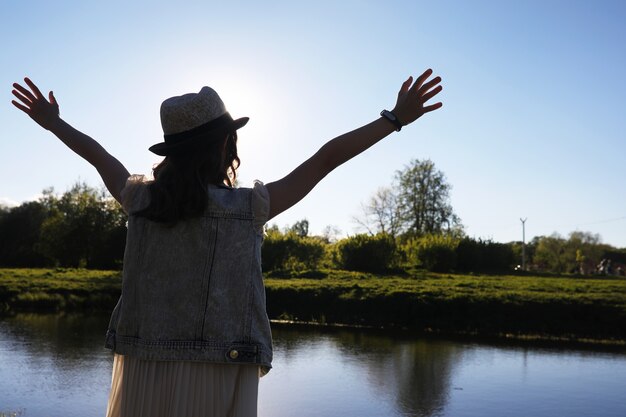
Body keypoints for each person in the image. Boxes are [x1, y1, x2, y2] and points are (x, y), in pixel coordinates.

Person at [11, 69, 443, 417]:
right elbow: (325, 159)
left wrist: (54, 124)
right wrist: (394, 119)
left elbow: (96, 154)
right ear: (224, 145)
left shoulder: (139, 200)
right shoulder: (251, 207)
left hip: (143, 365)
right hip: (221, 371)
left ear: (172, 152)